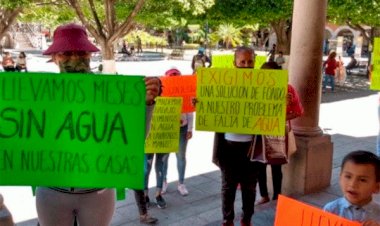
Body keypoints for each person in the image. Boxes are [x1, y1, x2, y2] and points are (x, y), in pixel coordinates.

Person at [35, 23, 161, 226]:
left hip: (97, 192)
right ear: (55, 57)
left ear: (89, 55)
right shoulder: (37, 94)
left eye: (81, 52)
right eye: (67, 53)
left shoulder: (111, 93)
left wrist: (147, 104)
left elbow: (134, 138)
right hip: (52, 191)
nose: (75, 58)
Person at [213, 46, 257, 226]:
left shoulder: (262, 84)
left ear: (255, 63)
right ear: (235, 63)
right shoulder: (224, 84)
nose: (246, 65)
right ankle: (228, 220)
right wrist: (202, 103)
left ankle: (247, 219)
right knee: (228, 187)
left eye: (250, 62)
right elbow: (214, 106)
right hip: (228, 145)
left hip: (253, 147)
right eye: (242, 62)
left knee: (250, 187)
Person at [255, 62, 304, 205]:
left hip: (277, 134)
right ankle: (263, 195)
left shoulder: (287, 89)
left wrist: (281, 115)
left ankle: (277, 196)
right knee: (259, 166)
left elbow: (298, 111)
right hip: (259, 132)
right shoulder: (256, 89)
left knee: (276, 167)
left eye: (272, 74)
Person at [323, 150, 380, 225]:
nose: (352, 184)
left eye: (362, 180)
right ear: (340, 178)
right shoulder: (331, 209)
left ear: (377, 187)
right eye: (348, 176)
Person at [161, 68, 194, 196]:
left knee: (181, 156)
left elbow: (190, 111)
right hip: (166, 129)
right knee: (164, 157)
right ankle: (162, 182)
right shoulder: (162, 93)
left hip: (182, 128)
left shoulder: (185, 93)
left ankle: (181, 183)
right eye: (172, 77)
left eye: (176, 77)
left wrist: (190, 129)